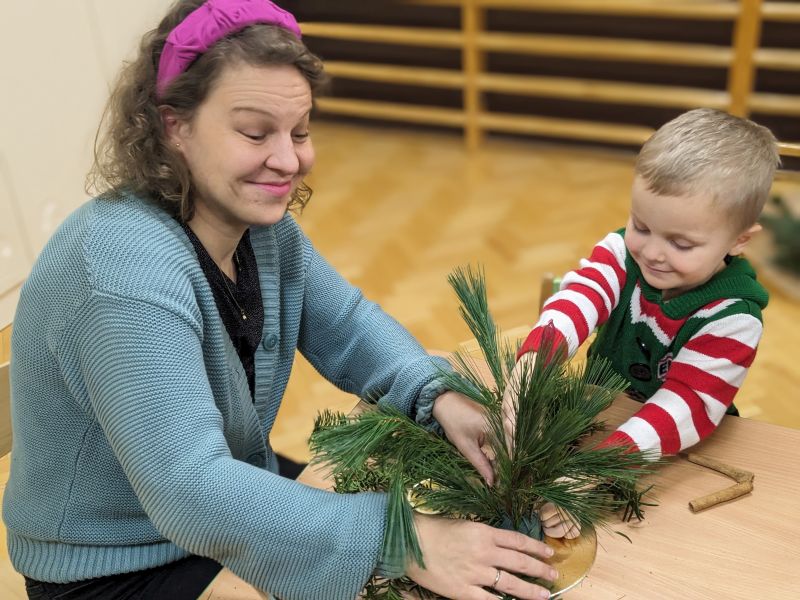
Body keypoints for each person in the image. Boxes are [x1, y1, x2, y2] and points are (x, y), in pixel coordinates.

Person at [3, 1, 558, 599]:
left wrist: (438, 394)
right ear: (174, 126)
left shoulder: (258, 228)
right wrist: (405, 540)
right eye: (254, 132)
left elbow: (346, 327)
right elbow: (190, 490)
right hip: (116, 568)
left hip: (223, 500)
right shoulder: (120, 272)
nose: (290, 160)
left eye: (300, 131)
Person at [505, 109, 779, 537]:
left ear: (740, 239)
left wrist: (602, 467)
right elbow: (582, 294)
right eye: (641, 225)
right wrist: (534, 364)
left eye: (681, 243)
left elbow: (687, 406)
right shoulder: (623, 252)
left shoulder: (734, 318)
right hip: (601, 411)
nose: (651, 252)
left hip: (670, 444)